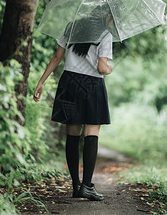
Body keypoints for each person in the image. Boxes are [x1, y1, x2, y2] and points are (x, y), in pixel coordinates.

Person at [33, 22, 113, 201]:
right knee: (91, 133)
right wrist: (109, 68)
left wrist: (41, 82)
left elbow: (56, 57)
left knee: (72, 134)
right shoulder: (105, 34)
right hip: (92, 85)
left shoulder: (72, 27)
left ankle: (76, 185)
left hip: (69, 82)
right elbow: (102, 67)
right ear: (106, 15)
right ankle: (87, 186)